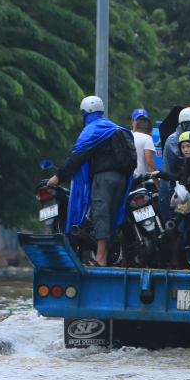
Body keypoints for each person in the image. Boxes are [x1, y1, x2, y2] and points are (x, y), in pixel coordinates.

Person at [48, 95, 136, 267]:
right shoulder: (113, 128)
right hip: (122, 179)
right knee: (111, 216)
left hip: (104, 178)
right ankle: (109, 255)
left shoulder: (93, 129)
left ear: (85, 113)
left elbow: (77, 157)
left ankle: (100, 258)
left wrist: (57, 177)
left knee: (100, 215)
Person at [153, 131, 190, 268]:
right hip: (189, 201)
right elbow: (179, 177)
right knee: (174, 225)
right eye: (183, 147)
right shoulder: (188, 162)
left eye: (188, 146)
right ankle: (175, 261)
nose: (185, 149)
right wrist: (160, 174)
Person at [130, 109, 157, 178]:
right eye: (138, 120)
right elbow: (150, 162)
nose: (141, 122)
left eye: (143, 120)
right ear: (132, 122)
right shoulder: (147, 138)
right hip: (136, 179)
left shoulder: (126, 135)